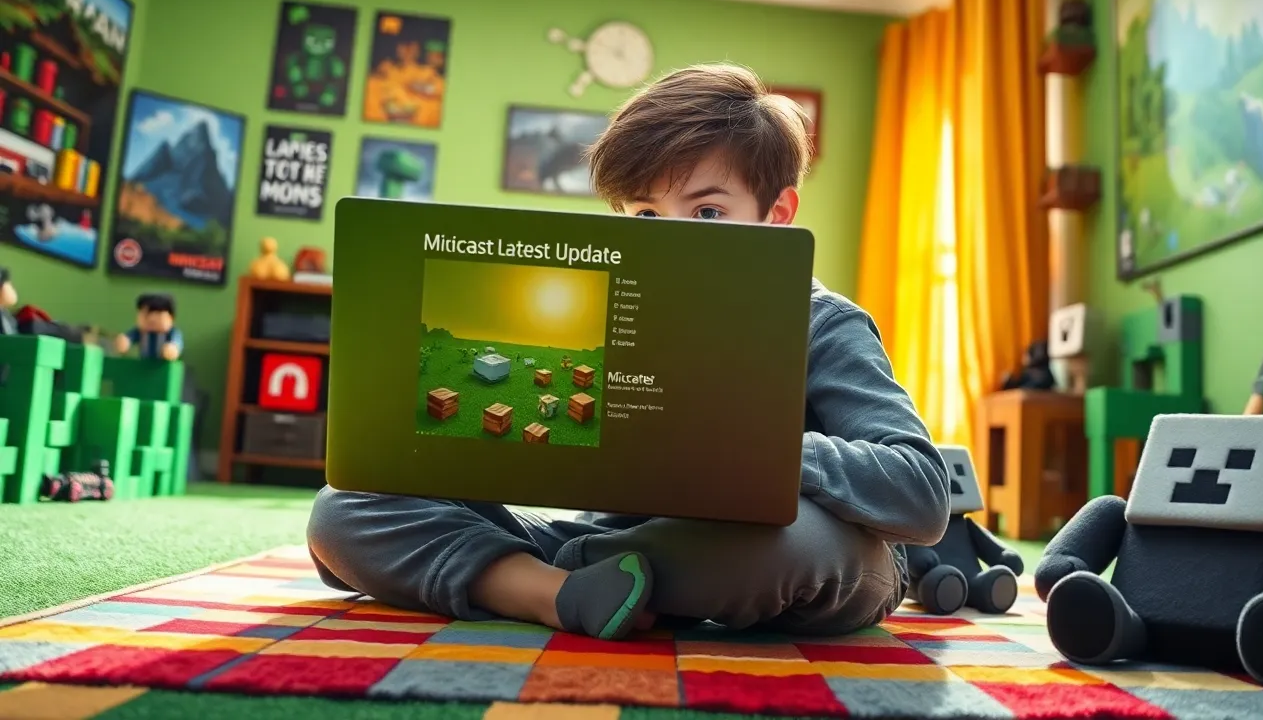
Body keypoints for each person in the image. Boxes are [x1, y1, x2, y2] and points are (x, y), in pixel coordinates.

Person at [308, 63, 951, 640]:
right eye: (645, 216)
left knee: (800, 546)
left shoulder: (825, 323)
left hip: (784, 552)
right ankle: (556, 594)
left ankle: (535, 577)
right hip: (607, 539)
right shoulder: (614, 311)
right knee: (344, 506)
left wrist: (764, 449)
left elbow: (921, 495)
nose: (671, 239)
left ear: (776, 215)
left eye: (706, 213)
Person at [114, 293, 183, 361]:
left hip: (163, 368)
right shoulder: (140, 332)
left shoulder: (172, 333)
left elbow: (175, 345)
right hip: (144, 367)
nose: (152, 319)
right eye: (146, 315)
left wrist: (171, 350)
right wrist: (123, 342)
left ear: (171, 318)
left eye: (158, 314)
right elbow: (128, 339)